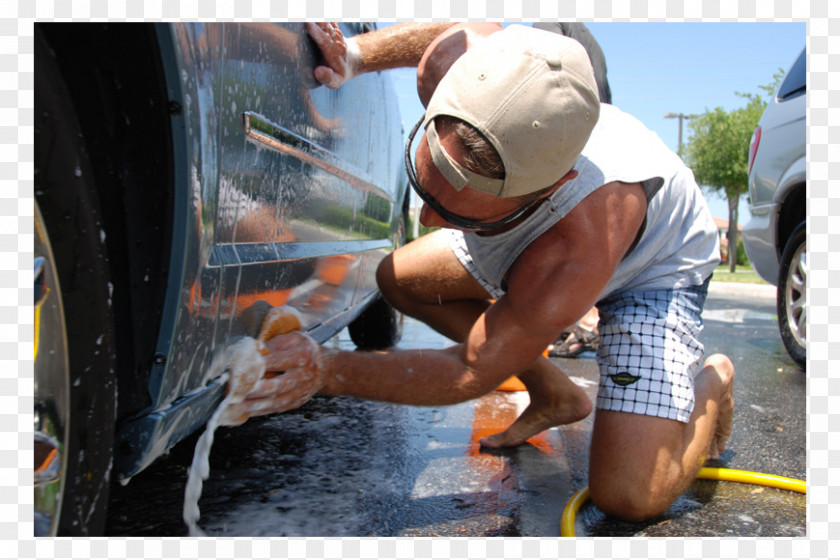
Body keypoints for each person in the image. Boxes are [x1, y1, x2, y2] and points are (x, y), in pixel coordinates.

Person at [230, 22, 735, 522]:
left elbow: (468, 369)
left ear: (550, 189)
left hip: (656, 269)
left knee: (628, 496)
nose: (426, 220)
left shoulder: (572, 249)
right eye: (423, 187)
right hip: (534, 224)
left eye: (459, 213)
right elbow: (447, 33)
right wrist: (353, 56)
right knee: (399, 279)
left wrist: (323, 370)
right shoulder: (479, 63)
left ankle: (712, 384)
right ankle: (553, 391)